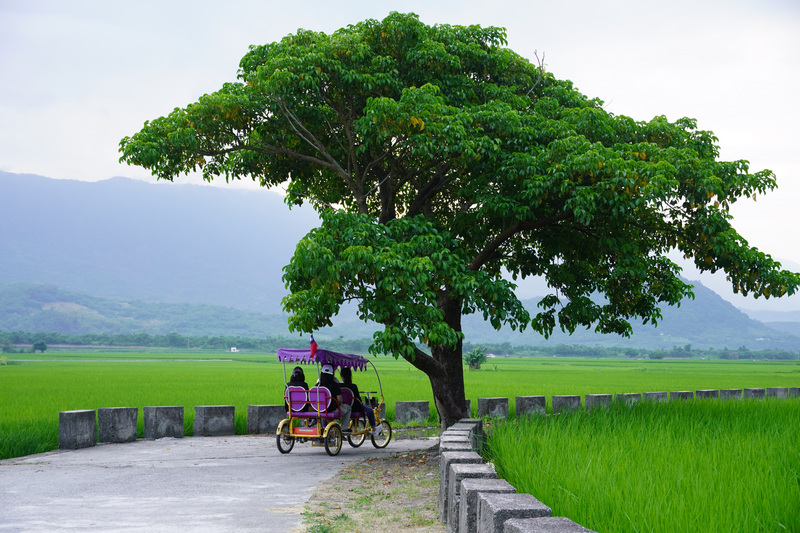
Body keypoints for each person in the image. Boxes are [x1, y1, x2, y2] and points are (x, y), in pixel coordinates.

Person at [339, 367, 381, 436]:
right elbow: (358, 399)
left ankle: (356, 425)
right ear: (350, 375)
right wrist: (362, 403)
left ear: (341, 376)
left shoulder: (339, 386)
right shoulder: (353, 386)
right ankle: (374, 429)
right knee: (370, 410)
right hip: (355, 408)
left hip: (343, 407)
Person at [317, 363, 352, 433]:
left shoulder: (317, 385)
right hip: (331, 410)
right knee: (348, 408)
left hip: (319, 409)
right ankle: (344, 428)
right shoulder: (335, 385)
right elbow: (339, 400)